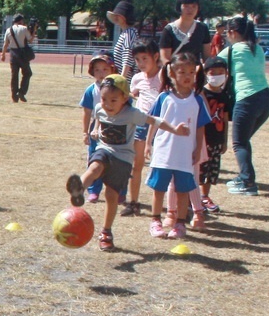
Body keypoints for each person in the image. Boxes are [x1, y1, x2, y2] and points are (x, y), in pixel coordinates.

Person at [65, 74, 184, 252]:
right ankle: (79, 188)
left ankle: (106, 232)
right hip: (104, 150)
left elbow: (154, 121)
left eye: (113, 100)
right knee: (95, 166)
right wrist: (96, 129)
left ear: (124, 99)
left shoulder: (132, 114)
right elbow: (98, 116)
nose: (108, 104)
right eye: (104, 99)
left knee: (112, 196)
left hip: (123, 158)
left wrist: (174, 129)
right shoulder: (99, 108)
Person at [145, 53, 211, 240]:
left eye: (191, 72)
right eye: (182, 72)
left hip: (185, 154)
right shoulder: (164, 97)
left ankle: (180, 223)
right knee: (159, 189)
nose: (188, 76)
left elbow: (200, 126)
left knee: (182, 189)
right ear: (172, 74)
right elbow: (154, 121)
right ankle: (156, 221)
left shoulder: (197, 99)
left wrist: (198, 149)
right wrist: (149, 143)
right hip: (164, 152)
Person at [218, 15, 269, 196]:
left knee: (239, 143)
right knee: (243, 140)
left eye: (227, 33)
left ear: (233, 33)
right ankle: (245, 176)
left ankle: (247, 181)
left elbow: (211, 65)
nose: (226, 36)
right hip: (265, 97)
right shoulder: (257, 48)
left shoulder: (233, 50)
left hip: (247, 99)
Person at [125, 39, 162, 216]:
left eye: (145, 58)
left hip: (162, 126)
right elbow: (134, 95)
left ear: (156, 56)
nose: (141, 63)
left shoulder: (164, 76)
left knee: (162, 166)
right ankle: (133, 202)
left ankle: (173, 207)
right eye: (137, 59)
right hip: (140, 125)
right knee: (136, 165)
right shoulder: (137, 78)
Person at [79, 52, 118, 204]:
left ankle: (117, 191)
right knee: (94, 161)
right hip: (96, 132)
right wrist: (85, 132)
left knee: (115, 163)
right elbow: (87, 112)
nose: (101, 73)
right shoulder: (91, 90)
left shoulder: (118, 87)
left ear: (112, 70)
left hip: (115, 130)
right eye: (97, 70)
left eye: (104, 69)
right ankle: (93, 191)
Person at [197, 57, 233, 214]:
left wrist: (224, 140)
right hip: (202, 139)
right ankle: (195, 197)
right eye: (213, 72)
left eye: (221, 72)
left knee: (211, 170)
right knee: (199, 169)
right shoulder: (200, 94)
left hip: (216, 139)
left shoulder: (224, 95)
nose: (217, 76)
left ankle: (205, 196)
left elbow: (224, 118)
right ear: (205, 73)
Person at [158, 0, 212, 66]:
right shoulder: (169, 30)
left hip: (195, 73)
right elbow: (165, 58)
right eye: (186, 6)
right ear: (179, 7)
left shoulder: (203, 28)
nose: (190, 9)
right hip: (175, 73)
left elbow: (207, 56)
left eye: (194, 6)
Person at [0, 13, 34, 103]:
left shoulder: (9, 30)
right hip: (22, 54)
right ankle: (22, 92)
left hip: (13, 53)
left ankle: (14, 95)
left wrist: (3, 54)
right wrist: (34, 31)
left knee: (14, 75)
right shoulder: (24, 28)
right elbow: (30, 40)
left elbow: (5, 44)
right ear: (21, 20)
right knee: (27, 73)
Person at [107, 0, 138, 79]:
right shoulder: (125, 33)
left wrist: (122, 78)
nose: (115, 18)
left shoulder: (130, 33)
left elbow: (128, 56)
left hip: (128, 81)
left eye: (118, 15)